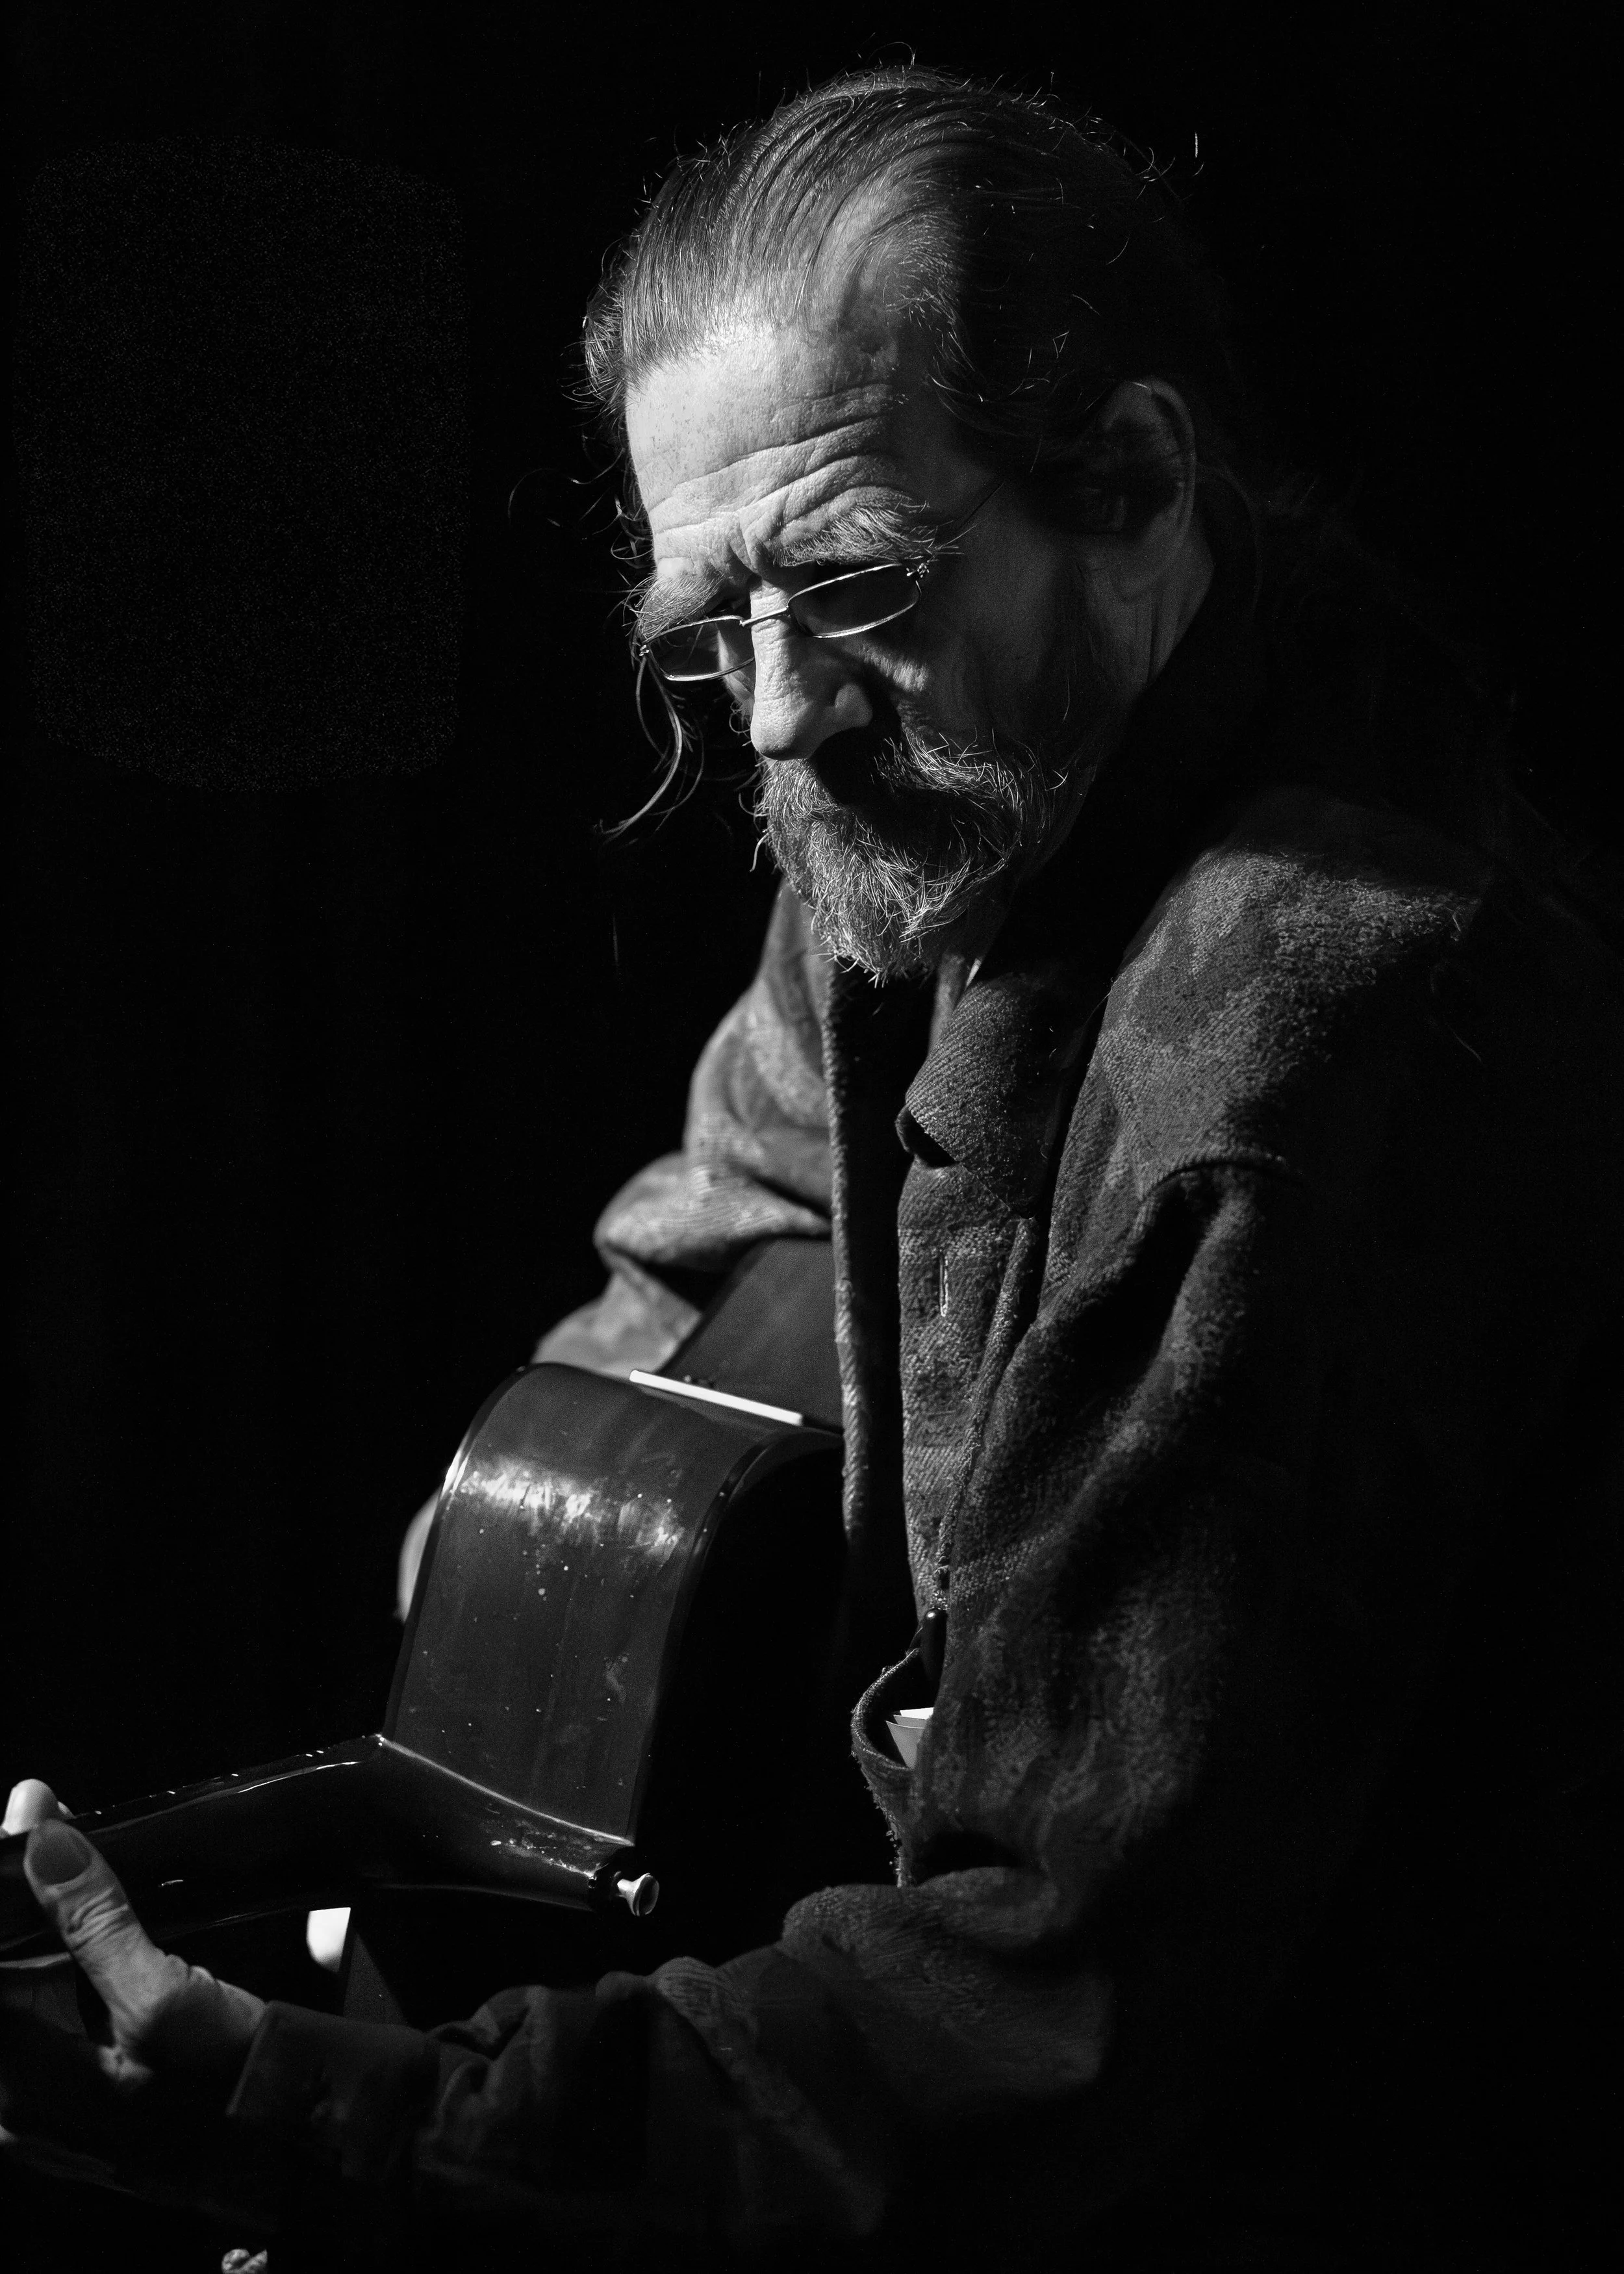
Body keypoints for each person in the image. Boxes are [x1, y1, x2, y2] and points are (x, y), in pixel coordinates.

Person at [3, 67, 1619, 2272]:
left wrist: (345, 2113)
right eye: (709, 623)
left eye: (851, 579)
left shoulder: (1288, 1093)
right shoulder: (980, 775)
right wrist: (531, 1563)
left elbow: (1027, 2015)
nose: (773, 715)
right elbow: (754, 1186)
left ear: (1134, 486)